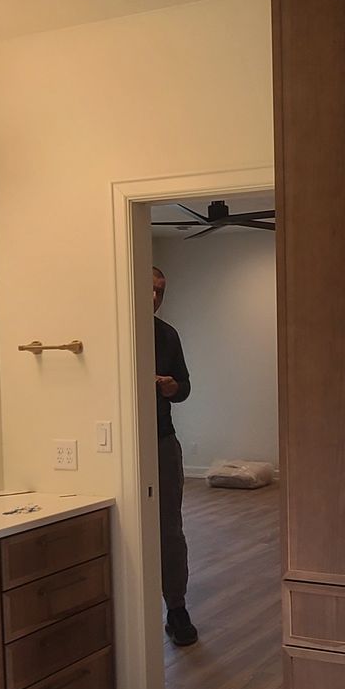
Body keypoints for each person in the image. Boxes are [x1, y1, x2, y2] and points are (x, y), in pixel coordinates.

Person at [152, 266, 198, 647]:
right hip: (121, 447)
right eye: (149, 289)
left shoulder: (167, 336)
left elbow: (185, 387)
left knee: (170, 528)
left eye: (161, 290)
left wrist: (172, 388)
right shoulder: (115, 332)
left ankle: (177, 608)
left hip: (162, 441)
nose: (155, 297)